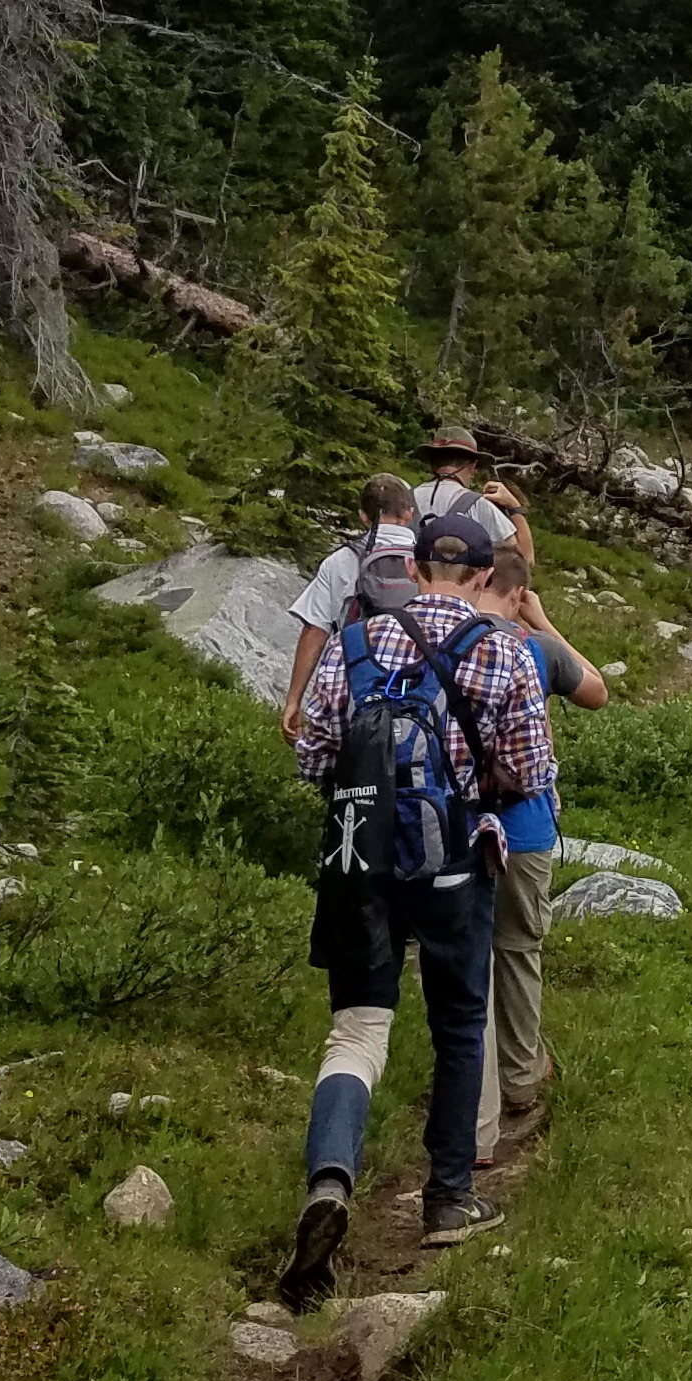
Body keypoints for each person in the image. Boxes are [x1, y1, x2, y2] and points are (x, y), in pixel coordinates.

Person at [277, 506, 551, 1303]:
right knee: (460, 1022)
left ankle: (330, 1181)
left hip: (360, 863)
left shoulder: (355, 641)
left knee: (357, 1029)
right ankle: (449, 1197)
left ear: (419, 566)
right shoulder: (501, 648)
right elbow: (529, 771)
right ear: (479, 576)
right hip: (454, 864)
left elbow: (315, 756)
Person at [471, 532, 604, 1168]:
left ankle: (470, 1092)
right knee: (518, 951)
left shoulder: (443, 641)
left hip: (454, 828)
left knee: (467, 954)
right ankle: (521, 1079)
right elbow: (597, 691)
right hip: (522, 829)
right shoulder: (534, 648)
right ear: (518, 591)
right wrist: (545, 622)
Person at [280, 475, 420, 729]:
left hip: (353, 691)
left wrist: (294, 700)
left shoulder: (342, 560)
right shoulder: (427, 561)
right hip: (415, 689)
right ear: (409, 514)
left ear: (363, 516)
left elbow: (315, 629)